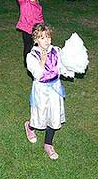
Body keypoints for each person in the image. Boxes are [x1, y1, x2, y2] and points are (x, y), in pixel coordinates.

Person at [24, 23, 65, 160]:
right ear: (36, 40)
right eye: (42, 38)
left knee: (54, 115)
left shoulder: (56, 50)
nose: (46, 40)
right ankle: (30, 126)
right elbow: (37, 74)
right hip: (41, 89)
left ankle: (48, 144)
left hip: (55, 88)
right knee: (40, 114)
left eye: (48, 36)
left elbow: (61, 67)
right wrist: (42, 60)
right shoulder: (31, 56)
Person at [14, 0, 44, 67]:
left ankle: (37, 60)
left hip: (35, 29)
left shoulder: (38, 7)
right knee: (27, 46)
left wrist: (42, 27)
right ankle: (27, 63)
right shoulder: (23, 2)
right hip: (26, 29)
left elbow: (40, 18)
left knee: (36, 46)